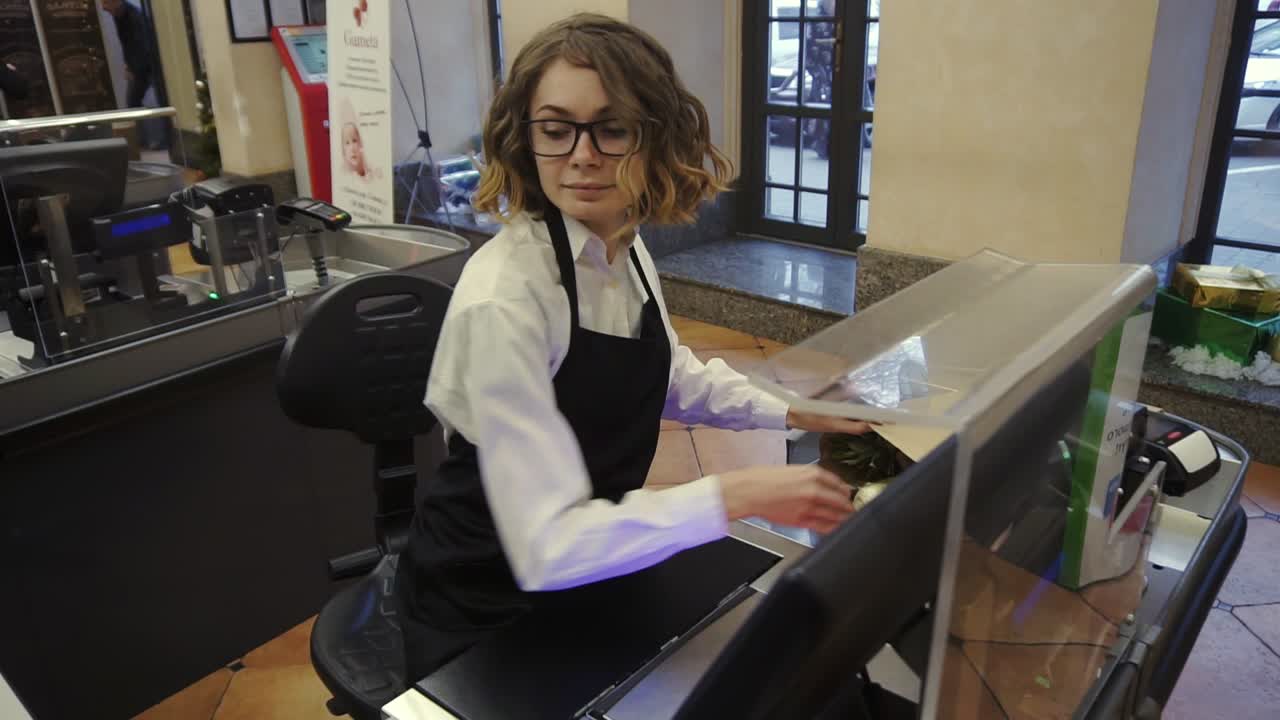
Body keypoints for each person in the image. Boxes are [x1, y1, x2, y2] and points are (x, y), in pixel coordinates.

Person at [395, 13, 872, 679]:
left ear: (654, 136)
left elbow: (671, 375)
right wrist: (737, 493)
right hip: (487, 606)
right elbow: (546, 546)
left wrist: (794, 410)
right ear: (524, 139)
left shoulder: (621, 241)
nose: (584, 156)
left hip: (595, 567)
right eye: (557, 129)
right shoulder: (506, 297)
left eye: (611, 128)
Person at [101, 0, 153, 108]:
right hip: (138, 65)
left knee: (133, 103)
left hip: (144, 66)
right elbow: (127, 43)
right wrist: (128, 64)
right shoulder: (119, 14)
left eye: (105, 2)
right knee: (133, 103)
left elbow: (142, 47)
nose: (103, 7)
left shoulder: (134, 18)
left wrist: (133, 70)